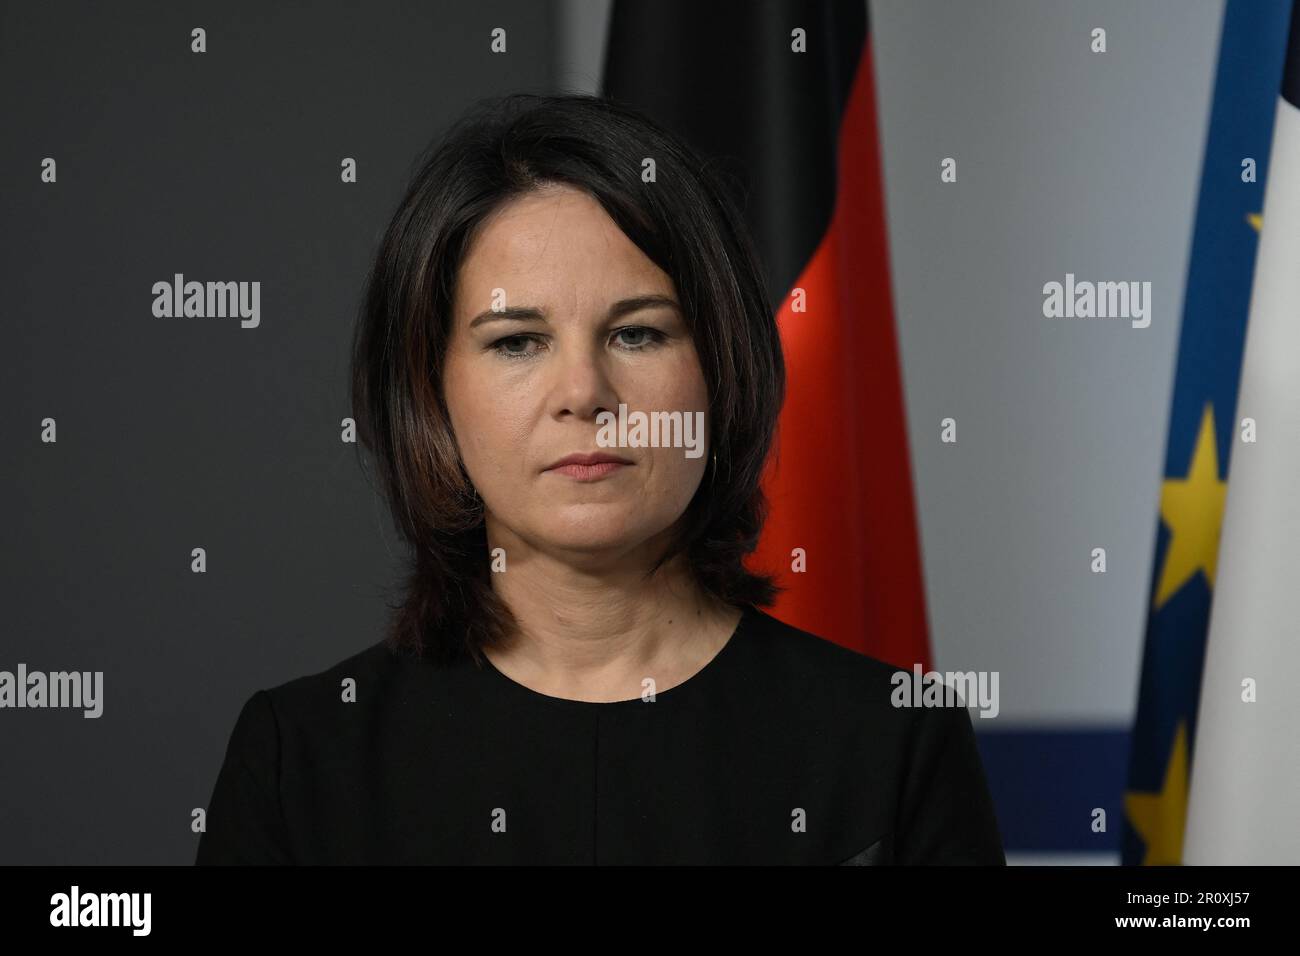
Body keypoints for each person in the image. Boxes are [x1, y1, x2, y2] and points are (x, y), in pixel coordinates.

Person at [195, 92, 1005, 865]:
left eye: (639, 334)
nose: (584, 393)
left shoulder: (895, 741)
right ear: (431, 390)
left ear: (721, 372)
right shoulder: (299, 759)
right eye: (517, 341)